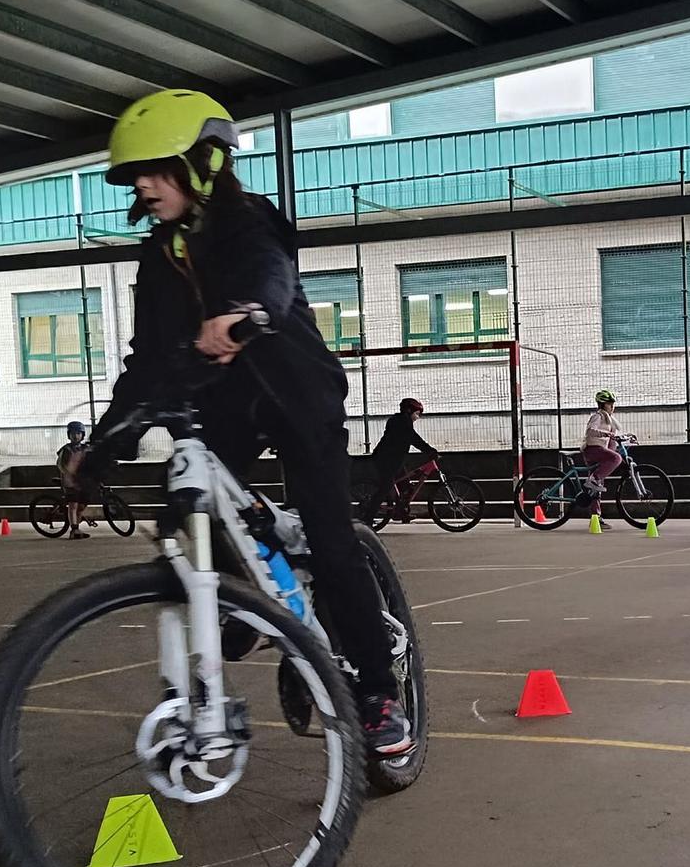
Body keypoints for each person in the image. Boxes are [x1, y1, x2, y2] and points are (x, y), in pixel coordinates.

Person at [69, 88, 412, 756]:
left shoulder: (249, 220)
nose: (144, 185)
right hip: (219, 406)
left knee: (330, 539)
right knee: (180, 518)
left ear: (202, 163)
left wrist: (247, 315)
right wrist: (105, 445)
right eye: (136, 175)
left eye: (156, 169)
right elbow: (144, 363)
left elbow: (271, 280)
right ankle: (247, 612)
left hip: (294, 395)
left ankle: (377, 693)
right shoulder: (158, 255)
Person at [361, 397, 437, 525]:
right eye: (417, 414)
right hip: (385, 460)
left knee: (405, 487)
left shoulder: (401, 420)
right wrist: (429, 450)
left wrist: (428, 450)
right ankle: (368, 518)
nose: (417, 417)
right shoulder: (401, 422)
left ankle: (402, 513)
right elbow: (413, 438)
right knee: (385, 488)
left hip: (394, 460)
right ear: (408, 411)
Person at [580, 390, 628, 514]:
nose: (612, 406)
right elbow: (590, 431)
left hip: (600, 452)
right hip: (593, 450)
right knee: (616, 459)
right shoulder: (598, 416)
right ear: (602, 405)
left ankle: (596, 517)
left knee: (596, 488)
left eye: (613, 404)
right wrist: (605, 434)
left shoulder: (610, 420)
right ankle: (594, 478)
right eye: (609, 404)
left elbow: (614, 437)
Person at [56, 420, 93, 537]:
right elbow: (61, 465)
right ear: (69, 435)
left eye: (78, 433)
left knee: (81, 506)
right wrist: (70, 474)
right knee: (73, 505)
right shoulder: (66, 450)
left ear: (82, 435)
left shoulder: (85, 448)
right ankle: (74, 529)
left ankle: (76, 528)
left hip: (82, 482)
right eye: (73, 434)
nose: (76, 436)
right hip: (70, 482)